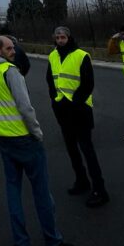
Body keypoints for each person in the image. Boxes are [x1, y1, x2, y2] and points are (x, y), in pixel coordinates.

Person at [0, 36, 78, 246]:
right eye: (9, 48)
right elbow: (25, 107)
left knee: (13, 192)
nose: (13, 51)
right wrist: (37, 132)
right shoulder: (10, 72)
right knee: (42, 193)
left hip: (2, 138)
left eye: (13, 47)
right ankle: (54, 245)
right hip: (23, 139)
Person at [46, 26, 109, 207]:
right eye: (57, 37)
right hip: (61, 109)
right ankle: (81, 181)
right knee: (71, 149)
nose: (60, 40)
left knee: (87, 150)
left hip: (79, 109)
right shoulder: (52, 56)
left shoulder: (81, 55)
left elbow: (88, 83)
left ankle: (100, 190)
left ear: (69, 37)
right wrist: (55, 99)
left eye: (63, 37)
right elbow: (50, 79)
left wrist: (75, 101)